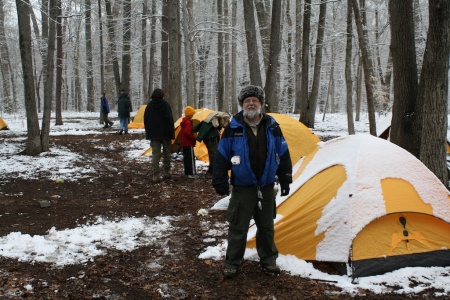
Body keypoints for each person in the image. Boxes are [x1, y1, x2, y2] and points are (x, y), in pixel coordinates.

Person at [212, 85, 292, 279]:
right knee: (238, 227)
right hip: (242, 188)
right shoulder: (233, 126)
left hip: (265, 188)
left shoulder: (272, 125)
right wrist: (219, 180)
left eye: (254, 100)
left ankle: (268, 261)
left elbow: (283, 153)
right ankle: (232, 263)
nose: (251, 103)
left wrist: (285, 178)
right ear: (242, 104)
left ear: (261, 104)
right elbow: (222, 155)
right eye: (247, 101)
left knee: (266, 228)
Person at [143, 88, 175, 183]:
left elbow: (146, 120)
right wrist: (171, 133)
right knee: (166, 153)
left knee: (155, 154)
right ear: (162, 95)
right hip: (165, 133)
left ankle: (155, 175)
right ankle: (167, 171)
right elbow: (170, 119)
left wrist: (148, 132)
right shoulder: (165, 105)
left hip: (154, 134)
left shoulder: (149, 106)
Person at [193, 111, 230, 176]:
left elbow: (197, 127)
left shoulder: (209, 120)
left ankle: (212, 170)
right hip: (211, 137)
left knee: (213, 154)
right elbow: (224, 126)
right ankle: (213, 171)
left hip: (208, 137)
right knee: (214, 154)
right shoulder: (218, 120)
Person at [180, 106, 197, 178]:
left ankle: (187, 172)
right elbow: (188, 133)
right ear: (190, 115)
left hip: (184, 143)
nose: (193, 116)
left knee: (187, 158)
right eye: (192, 114)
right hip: (188, 143)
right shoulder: (188, 122)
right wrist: (194, 138)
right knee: (190, 158)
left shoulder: (184, 121)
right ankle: (191, 173)